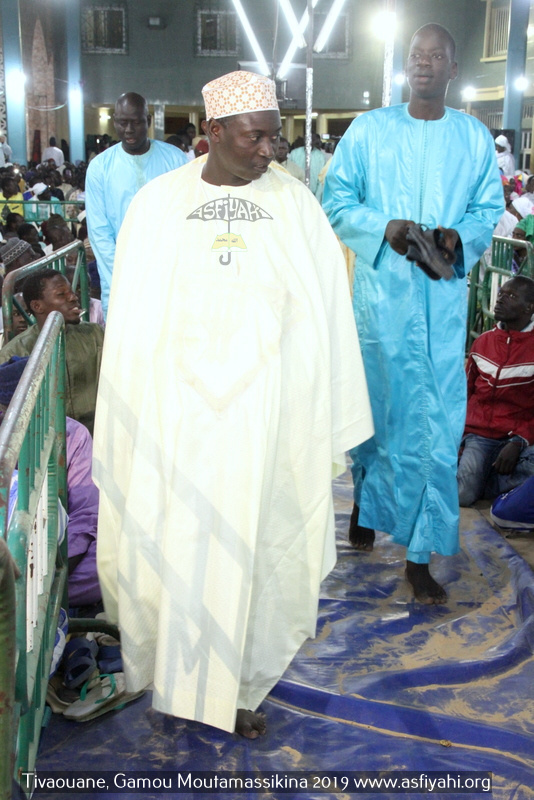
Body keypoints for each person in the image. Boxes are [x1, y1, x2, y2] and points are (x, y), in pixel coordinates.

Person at [93, 70, 373, 738]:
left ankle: (240, 688)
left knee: (259, 549)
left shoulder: (296, 205)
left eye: (275, 137)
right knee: (179, 547)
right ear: (213, 133)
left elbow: (323, 312)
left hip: (265, 422)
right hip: (178, 420)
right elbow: (134, 322)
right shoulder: (158, 205)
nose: (268, 151)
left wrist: (310, 405)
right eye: (255, 137)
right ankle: (178, 680)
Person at [323, 23, 504, 603]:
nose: (424, 64)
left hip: (443, 307)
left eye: (436, 57)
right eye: (416, 56)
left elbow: (488, 209)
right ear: (406, 66)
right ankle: (366, 507)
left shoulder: (474, 138)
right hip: (380, 308)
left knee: (435, 429)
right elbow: (337, 200)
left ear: (454, 70)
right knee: (375, 417)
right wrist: (388, 229)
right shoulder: (369, 131)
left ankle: (419, 555)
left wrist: (457, 236)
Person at [0, 356, 101, 605]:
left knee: (110, 563)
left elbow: (86, 514)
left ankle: (33, 600)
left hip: (59, 553)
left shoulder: (71, 434)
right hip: (12, 553)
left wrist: (57, 569)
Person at [85, 92, 187, 316]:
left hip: (168, 274)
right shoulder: (100, 167)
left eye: (136, 122)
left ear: (148, 121)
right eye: (123, 123)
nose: (129, 130)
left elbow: (185, 219)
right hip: (121, 277)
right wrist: (122, 276)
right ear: (115, 122)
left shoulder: (176, 160)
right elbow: (99, 233)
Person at [457, 276, 534, 506]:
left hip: (519, 437)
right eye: (500, 294)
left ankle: (484, 479)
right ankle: (484, 480)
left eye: (511, 296)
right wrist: (460, 436)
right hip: (479, 436)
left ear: (530, 307)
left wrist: (520, 440)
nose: (500, 300)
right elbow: (465, 393)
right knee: (463, 495)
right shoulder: (483, 342)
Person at [0, 269, 104, 434]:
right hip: (45, 447)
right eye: (62, 295)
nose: (73, 297)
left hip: (101, 435)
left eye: (71, 292)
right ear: (37, 306)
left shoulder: (95, 335)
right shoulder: (14, 353)